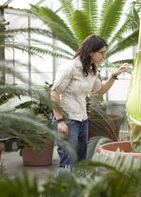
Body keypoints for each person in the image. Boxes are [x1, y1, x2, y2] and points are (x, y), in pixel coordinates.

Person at [51, 34, 128, 169]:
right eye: (102, 53)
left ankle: (78, 190)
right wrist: (60, 121)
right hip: (67, 120)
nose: (103, 56)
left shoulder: (91, 70)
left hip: (82, 121)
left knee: (81, 163)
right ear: (91, 51)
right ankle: (63, 190)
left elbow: (99, 92)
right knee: (68, 163)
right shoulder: (70, 67)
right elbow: (54, 93)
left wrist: (113, 76)